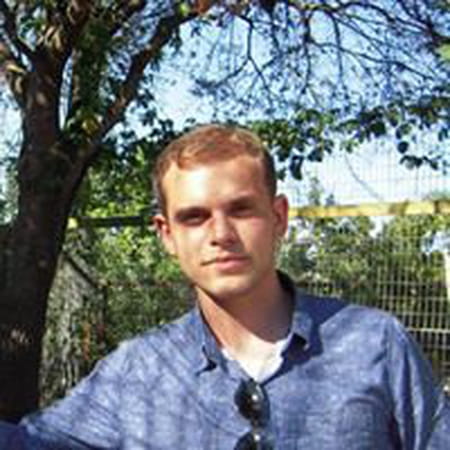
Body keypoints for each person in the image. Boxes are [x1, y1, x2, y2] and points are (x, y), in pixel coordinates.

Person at [1, 124, 449, 449]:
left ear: (278, 217)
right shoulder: (138, 370)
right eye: (194, 217)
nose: (220, 234)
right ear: (167, 235)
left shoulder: (374, 343)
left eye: (241, 210)